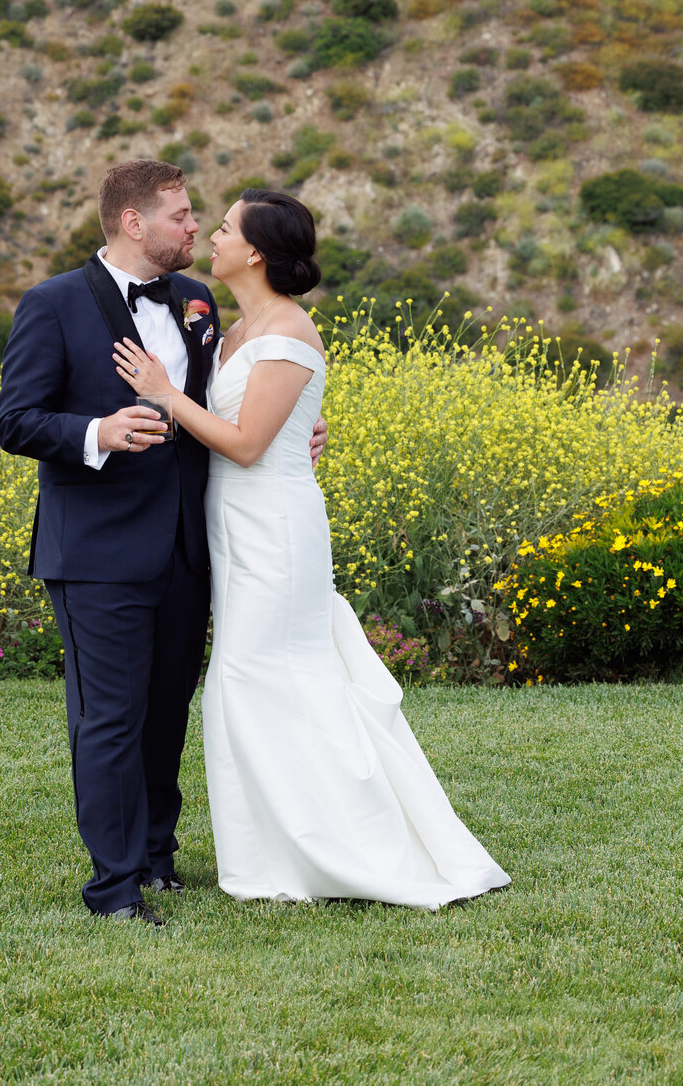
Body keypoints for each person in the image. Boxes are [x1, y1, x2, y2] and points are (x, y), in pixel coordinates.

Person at [113, 188, 511, 909]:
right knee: (251, 683)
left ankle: (338, 846)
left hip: (275, 530)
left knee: (271, 677)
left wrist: (165, 394)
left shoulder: (290, 330)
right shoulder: (233, 330)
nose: (212, 235)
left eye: (226, 227)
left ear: (256, 251)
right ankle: (279, 847)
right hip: (233, 529)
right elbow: (265, 418)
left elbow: (245, 442)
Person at [0, 160, 327, 926]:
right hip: (98, 550)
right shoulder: (52, 305)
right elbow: (15, 420)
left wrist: (293, 432)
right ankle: (113, 888)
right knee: (108, 718)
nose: (194, 226)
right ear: (134, 223)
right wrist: (98, 432)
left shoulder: (197, 301)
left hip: (189, 543)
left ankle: (156, 853)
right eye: (180, 215)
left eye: (198, 217)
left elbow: (230, 403)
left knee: (167, 708)